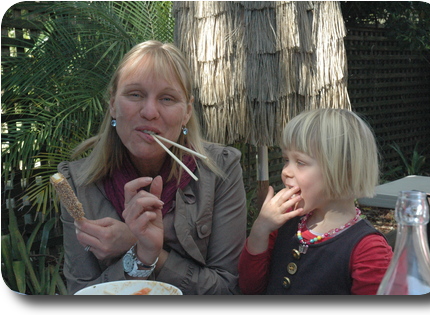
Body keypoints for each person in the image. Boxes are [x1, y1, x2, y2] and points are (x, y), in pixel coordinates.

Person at [59, 40, 247, 295]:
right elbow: (80, 294)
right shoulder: (77, 183)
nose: (149, 112)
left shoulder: (220, 171)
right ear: (113, 104)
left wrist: (144, 248)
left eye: (167, 98)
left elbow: (228, 291)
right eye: (135, 94)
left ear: (187, 112)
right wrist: (139, 255)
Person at [238, 108, 393, 295]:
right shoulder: (282, 224)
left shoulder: (369, 250)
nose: (286, 171)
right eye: (286, 159)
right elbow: (250, 288)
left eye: (300, 162)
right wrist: (260, 230)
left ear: (343, 169)